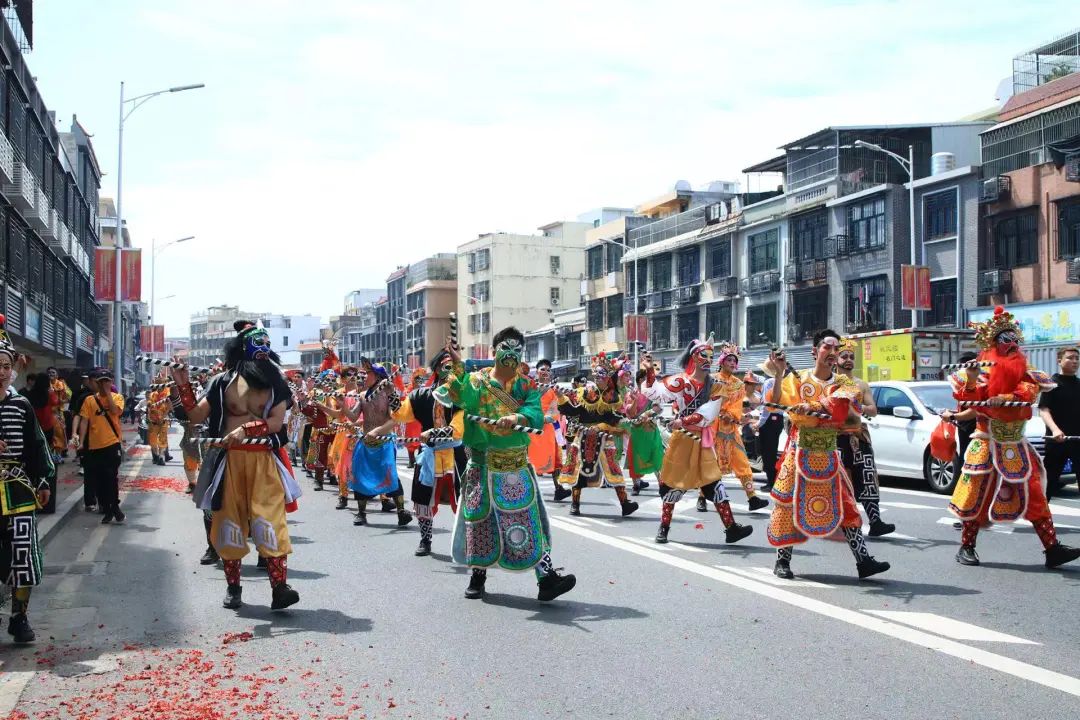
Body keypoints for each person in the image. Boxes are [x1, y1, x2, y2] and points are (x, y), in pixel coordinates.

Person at [440, 327, 576, 601]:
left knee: (528, 520)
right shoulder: (477, 381)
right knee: (480, 521)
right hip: (482, 464)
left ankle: (546, 578)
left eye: (517, 349)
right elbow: (460, 395)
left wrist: (517, 418)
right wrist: (457, 363)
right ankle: (478, 577)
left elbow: (534, 413)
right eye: (506, 347)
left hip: (515, 465)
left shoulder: (526, 385)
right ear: (494, 351)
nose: (511, 354)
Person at [177, 321, 302, 610]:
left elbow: (275, 423)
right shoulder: (221, 382)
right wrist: (182, 383)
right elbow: (195, 416)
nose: (264, 348)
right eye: (258, 343)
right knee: (228, 522)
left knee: (271, 520)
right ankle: (233, 588)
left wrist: (247, 429)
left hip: (263, 462)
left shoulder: (276, 384)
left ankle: (279, 588)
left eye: (267, 343)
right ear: (243, 347)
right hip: (229, 460)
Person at [948, 307, 1080, 569]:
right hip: (986, 441)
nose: (1012, 344)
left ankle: (1052, 548)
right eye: (1006, 339)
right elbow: (968, 400)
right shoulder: (980, 370)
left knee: (1035, 493)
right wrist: (972, 381)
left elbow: (1030, 390)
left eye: (1015, 339)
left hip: (1016, 443)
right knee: (976, 494)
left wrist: (1006, 397)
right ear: (994, 342)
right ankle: (967, 546)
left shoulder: (1025, 370)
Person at [766, 330, 890, 580]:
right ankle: (782, 560)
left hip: (829, 452)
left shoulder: (844, 384)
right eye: (827, 347)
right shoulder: (798, 379)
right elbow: (775, 404)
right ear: (815, 351)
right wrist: (779, 374)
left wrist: (813, 407)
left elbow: (845, 413)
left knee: (846, 504)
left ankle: (863, 560)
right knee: (787, 503)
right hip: (799, 450)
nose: (832, 353)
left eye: (836, 349)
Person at [641, 335, 753, 545]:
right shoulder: (681, 380)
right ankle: (663, 528)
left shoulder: (716, 385)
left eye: (711, 356)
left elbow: (709, 413)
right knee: (673, 484)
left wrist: (682, 421)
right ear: (694, 357)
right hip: (682, 441)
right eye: (704, 355)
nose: (708, 359)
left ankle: (731, 528)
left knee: (714, 482)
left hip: (702, 440)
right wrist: (649, 371)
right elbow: (656, 394)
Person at [0, 319, 55, 644]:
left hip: (18, 490)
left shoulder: (21, 404)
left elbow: (37, 446)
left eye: (6, 366)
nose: (1, 372)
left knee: (22, 555)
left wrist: (44, 481)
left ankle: (19, 618)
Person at [392, 350, 465, 556]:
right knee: (422, 499)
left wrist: (434, 432)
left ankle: (467, 540)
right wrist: (390, 395)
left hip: (455, 455)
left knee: (465, 499)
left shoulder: (460, 396)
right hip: (429, 455)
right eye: (447, 366)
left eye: (454, 367)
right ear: (438, 370)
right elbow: (401, 414)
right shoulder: (420, 395)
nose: (451, 371)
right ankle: (425, 539)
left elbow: (458, 429)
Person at [555, 352, 638, 518]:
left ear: (609, 376)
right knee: (578, 470)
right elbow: (572, 411)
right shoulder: (586, 391)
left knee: (614, 469)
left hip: (604, 436)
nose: (598, 377)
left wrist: (603, 426)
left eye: (602, 374)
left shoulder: (613, 395)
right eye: (596, 373)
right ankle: (575, 504)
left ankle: (624, 504)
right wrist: (561, 397)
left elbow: (613, 418)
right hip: (583, 436)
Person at [835, 338, 895, 537]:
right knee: (839, 481)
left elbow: (873, 410)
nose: (848, 360)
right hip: (836, 437)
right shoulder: (830, 382)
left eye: (851, 357)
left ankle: (875, 522)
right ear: (836, 359)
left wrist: (856, 404)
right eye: (844, 356)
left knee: (868, 477)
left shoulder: (861, 384)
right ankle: (839, 521)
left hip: (858, 437)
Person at [346, 358, 412, 528]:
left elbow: (395, 419)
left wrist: (378, 431)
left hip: (384, 443)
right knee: (360, 476)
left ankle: (401, 511)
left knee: (390, 474)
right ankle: (361, 513)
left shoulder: (388, 392)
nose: (364, 376)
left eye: (367, 373)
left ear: (377, 376)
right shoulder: (362, 396)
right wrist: (342, 406)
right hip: (366, 443)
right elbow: (353, 417)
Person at [710, 343, 769, 512]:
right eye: (729, 359)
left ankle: (752, 498)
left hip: (731, 430)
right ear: (722, 361)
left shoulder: (738, 384)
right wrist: (720, 413)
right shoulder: (712, 379)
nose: (732, 363)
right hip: (714, 429)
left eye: (734, 361)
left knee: (743, 463)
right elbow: (708, 401)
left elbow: (737, 405)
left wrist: (734, 415)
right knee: (711, 465)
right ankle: (701, 497)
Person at [73, 368, 126, 524]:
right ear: (96, 383)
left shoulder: (117, 397)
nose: (103, 384)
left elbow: (115, 411)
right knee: (100, 480)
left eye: (106, 381)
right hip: (95, 446)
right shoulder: (89, 400)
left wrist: (108, 393)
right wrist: (81, 441)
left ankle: (114, 506)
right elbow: (84, 421)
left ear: (111, 382)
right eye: (101, 381)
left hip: (112, 443)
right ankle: (109, 508)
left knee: (111, 477)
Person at [1038, 346, 1080, 499]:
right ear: (1059, 361)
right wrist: (1055, 429)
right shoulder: (1051, 384)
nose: (1075, 361)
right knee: (1048, 484)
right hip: (1056, 441)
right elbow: (1044, 410)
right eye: (1070, 358)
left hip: (1078, 441)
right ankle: (1041, 513)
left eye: (1077, 358)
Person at [939, 352, 980, 488]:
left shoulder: (975, 384)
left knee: (970, 461)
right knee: (965, 458)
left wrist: (952, 416)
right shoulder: (968, 385)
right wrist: (954, 414)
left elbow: (975, 410)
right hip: (965, 428)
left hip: (974, 430)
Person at [622, 368, 662, 496]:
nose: (650, 382)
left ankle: (662, 484)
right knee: (635, 457)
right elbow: (630, 413)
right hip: (637, 431)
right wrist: (634, 400)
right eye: (647, 379)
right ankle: (636, 485)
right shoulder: (631, 394)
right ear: (641, 380)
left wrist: (648, 413)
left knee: (656, 455)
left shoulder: (653, 393)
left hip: (651, 429)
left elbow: (659, 408)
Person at [756, 352, 792, 493]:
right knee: (772, 450)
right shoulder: (782, 381)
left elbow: (767, 407)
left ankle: (771, 482)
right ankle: (772, 481)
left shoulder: (769, 382)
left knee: (767, 452)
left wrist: (759, 424)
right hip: (778, 419)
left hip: (769, 420)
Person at [527, 359, 563, 484]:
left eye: (548, 370)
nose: (545, 372)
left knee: (554, 457)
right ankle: (532, 488)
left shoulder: (553, 391)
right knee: (530, 459)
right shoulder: (530, 388)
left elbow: (555, 410)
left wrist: (545, 418)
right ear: (537, 372)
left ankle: (558, 488)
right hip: (531, 427)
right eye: (542, 369)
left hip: (547, 429)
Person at [25, 373, 60, 465]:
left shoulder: (31, 393)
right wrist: (52, 391)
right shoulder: (49, 393)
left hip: (35, 425)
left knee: (37, 447)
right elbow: (56, 402)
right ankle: (48, 464)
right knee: (48, 446)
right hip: (48, 424)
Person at [145, 371, 173, 466]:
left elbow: (170, 407)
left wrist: (164, 416)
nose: (159, 385)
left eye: (160, 383)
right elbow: (149, 406)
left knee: (162, 439)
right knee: (153, 440)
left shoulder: (167, 393)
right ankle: (156, 456)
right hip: (153, 422)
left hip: (163, 421)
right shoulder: (152, 395)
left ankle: (161, 457)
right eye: (157, 383)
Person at [46, 367, 70, 460]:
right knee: (49, 433)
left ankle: (58, 454)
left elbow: (69, 396)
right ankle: (49, 454)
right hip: (46, 413)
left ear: (57, 375)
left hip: (58, 413)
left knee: (59, 433)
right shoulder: (44, 384)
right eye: (49, 372)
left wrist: (62, 400)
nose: (51, 374)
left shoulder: (62, 384)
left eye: (53, 372)